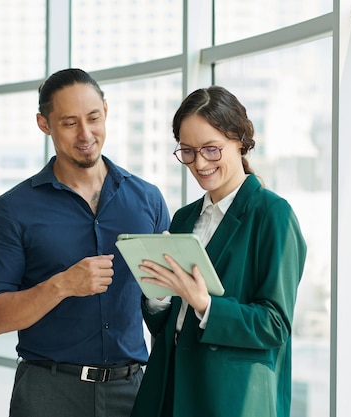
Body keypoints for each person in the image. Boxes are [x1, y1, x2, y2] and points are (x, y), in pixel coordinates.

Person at [0, 68, 171, 417]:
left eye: (94, 118)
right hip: (49, 394)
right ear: (44, 123)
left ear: (106, 112)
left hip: (132, 392)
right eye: (69, 123)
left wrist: (166, 290)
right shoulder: (12, 210)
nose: (86, 134)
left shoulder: (148, 200)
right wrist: (62, 285)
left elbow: (163, 309)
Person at [130, 86, 307, 417]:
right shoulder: (184, 217)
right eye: (187, 151)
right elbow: (168, 327)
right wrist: (159, 296)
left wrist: (205, 304)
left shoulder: (272, 215)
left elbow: (275, 324)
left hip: (229, 397)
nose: (199, 163)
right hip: (170, 388)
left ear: (240, 141)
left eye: (211, 149)